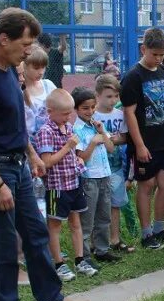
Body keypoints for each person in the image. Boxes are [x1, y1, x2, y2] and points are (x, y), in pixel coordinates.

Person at [0, 8, 88, 301]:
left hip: (18, 166)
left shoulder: (9, 70)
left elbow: (16, 124)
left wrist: (32, 154)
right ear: (3, 38)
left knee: (35, 234)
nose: (30, 50)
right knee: (3, 241)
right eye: (25, 43)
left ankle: (51, 297)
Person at [120, 27, 164, 250]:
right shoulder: (132, 77)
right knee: (146, 185)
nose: (159, 59)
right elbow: (129, 112)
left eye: (162, 55)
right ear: (143, 49)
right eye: (155, 54)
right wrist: (139, 145)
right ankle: (147, 233)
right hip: (145, 143)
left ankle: (160, 229)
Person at [33, 89, 97, 281]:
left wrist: (77, 160)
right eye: (64, 114)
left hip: (73, 183)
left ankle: (80, 260)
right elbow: (47, 162)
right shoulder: (45, 132)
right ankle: (59, 263)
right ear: (50, 111)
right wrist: (67, 147)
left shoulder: (67, 127)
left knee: (75, 222)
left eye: (70, 113)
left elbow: (72, 153)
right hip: (56, 187)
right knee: (54, 226)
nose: (68, 117)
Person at [72, 86, 119, 263]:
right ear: (76, 109)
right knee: (87, 218)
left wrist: (101, 133)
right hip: (89, 178)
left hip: (104, 176)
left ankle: (102, 250)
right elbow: (81, 157)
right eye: (85, 108)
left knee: (104, 215)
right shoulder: (76, 130)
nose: (90, 111)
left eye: (92, 107)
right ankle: (84, 254)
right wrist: (92, 143)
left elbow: (111, 148)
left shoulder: (97, 125)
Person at [92, 74, 135, 254]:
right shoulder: (92, 115)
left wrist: (111, 140)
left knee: (116, 203)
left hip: (116, 166)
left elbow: (124, 137)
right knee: (97, 205)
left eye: (116, 96)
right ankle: (96, 242)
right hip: (96, 167)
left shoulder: (120, 114)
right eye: (108, 96)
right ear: (98, 95)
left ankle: (115, 238)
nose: (113, 100)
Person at [20, 46, 55, 137]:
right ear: (24, 66)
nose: (41, 72)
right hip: (28, 140)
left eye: (43, 67)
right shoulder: (18, 90)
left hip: (49, 139)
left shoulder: (48, 86)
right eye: (36, 68)